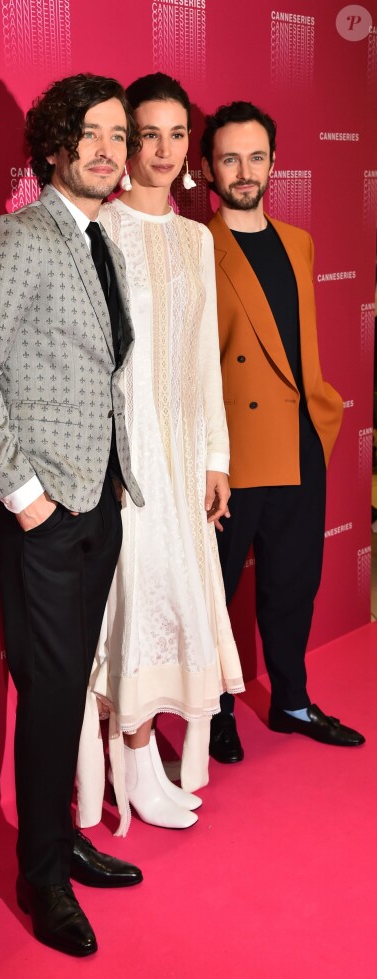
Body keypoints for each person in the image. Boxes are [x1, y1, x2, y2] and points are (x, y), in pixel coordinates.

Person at [0, 74, 145, 958]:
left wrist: (99, 486)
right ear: (54, 147)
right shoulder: (18, 236)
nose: (107, 150)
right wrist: (26, 498)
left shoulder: (103, 241)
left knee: (62, 686)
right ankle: (43, 875)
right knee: (53, 683)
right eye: (89, 134)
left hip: (98, 495)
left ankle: (56, 839)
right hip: (46, 508)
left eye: (117, 135)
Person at [75, 73, 244, 838]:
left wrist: (216, 455)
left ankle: (148, 762)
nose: (164, 150)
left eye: (179, 135)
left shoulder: (197, 238)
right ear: (127, 140)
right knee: (133, 604)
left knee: (176, 599)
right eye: (149, 134)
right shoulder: (99, 229)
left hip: (181, 457)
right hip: (126, 455)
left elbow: (204, 357)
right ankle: (133, 760)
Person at [199, 101, 365, 762]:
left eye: (256, 156)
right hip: (230, 449)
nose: (245, 171)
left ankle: (292, 700)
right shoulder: (195, 245)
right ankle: (214, 713)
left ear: (274, 162)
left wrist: (321, 415)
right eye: (230, 157)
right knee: (213, 588)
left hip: (299, 437)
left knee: (294, 580)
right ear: (209, 167)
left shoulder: (298, 241)